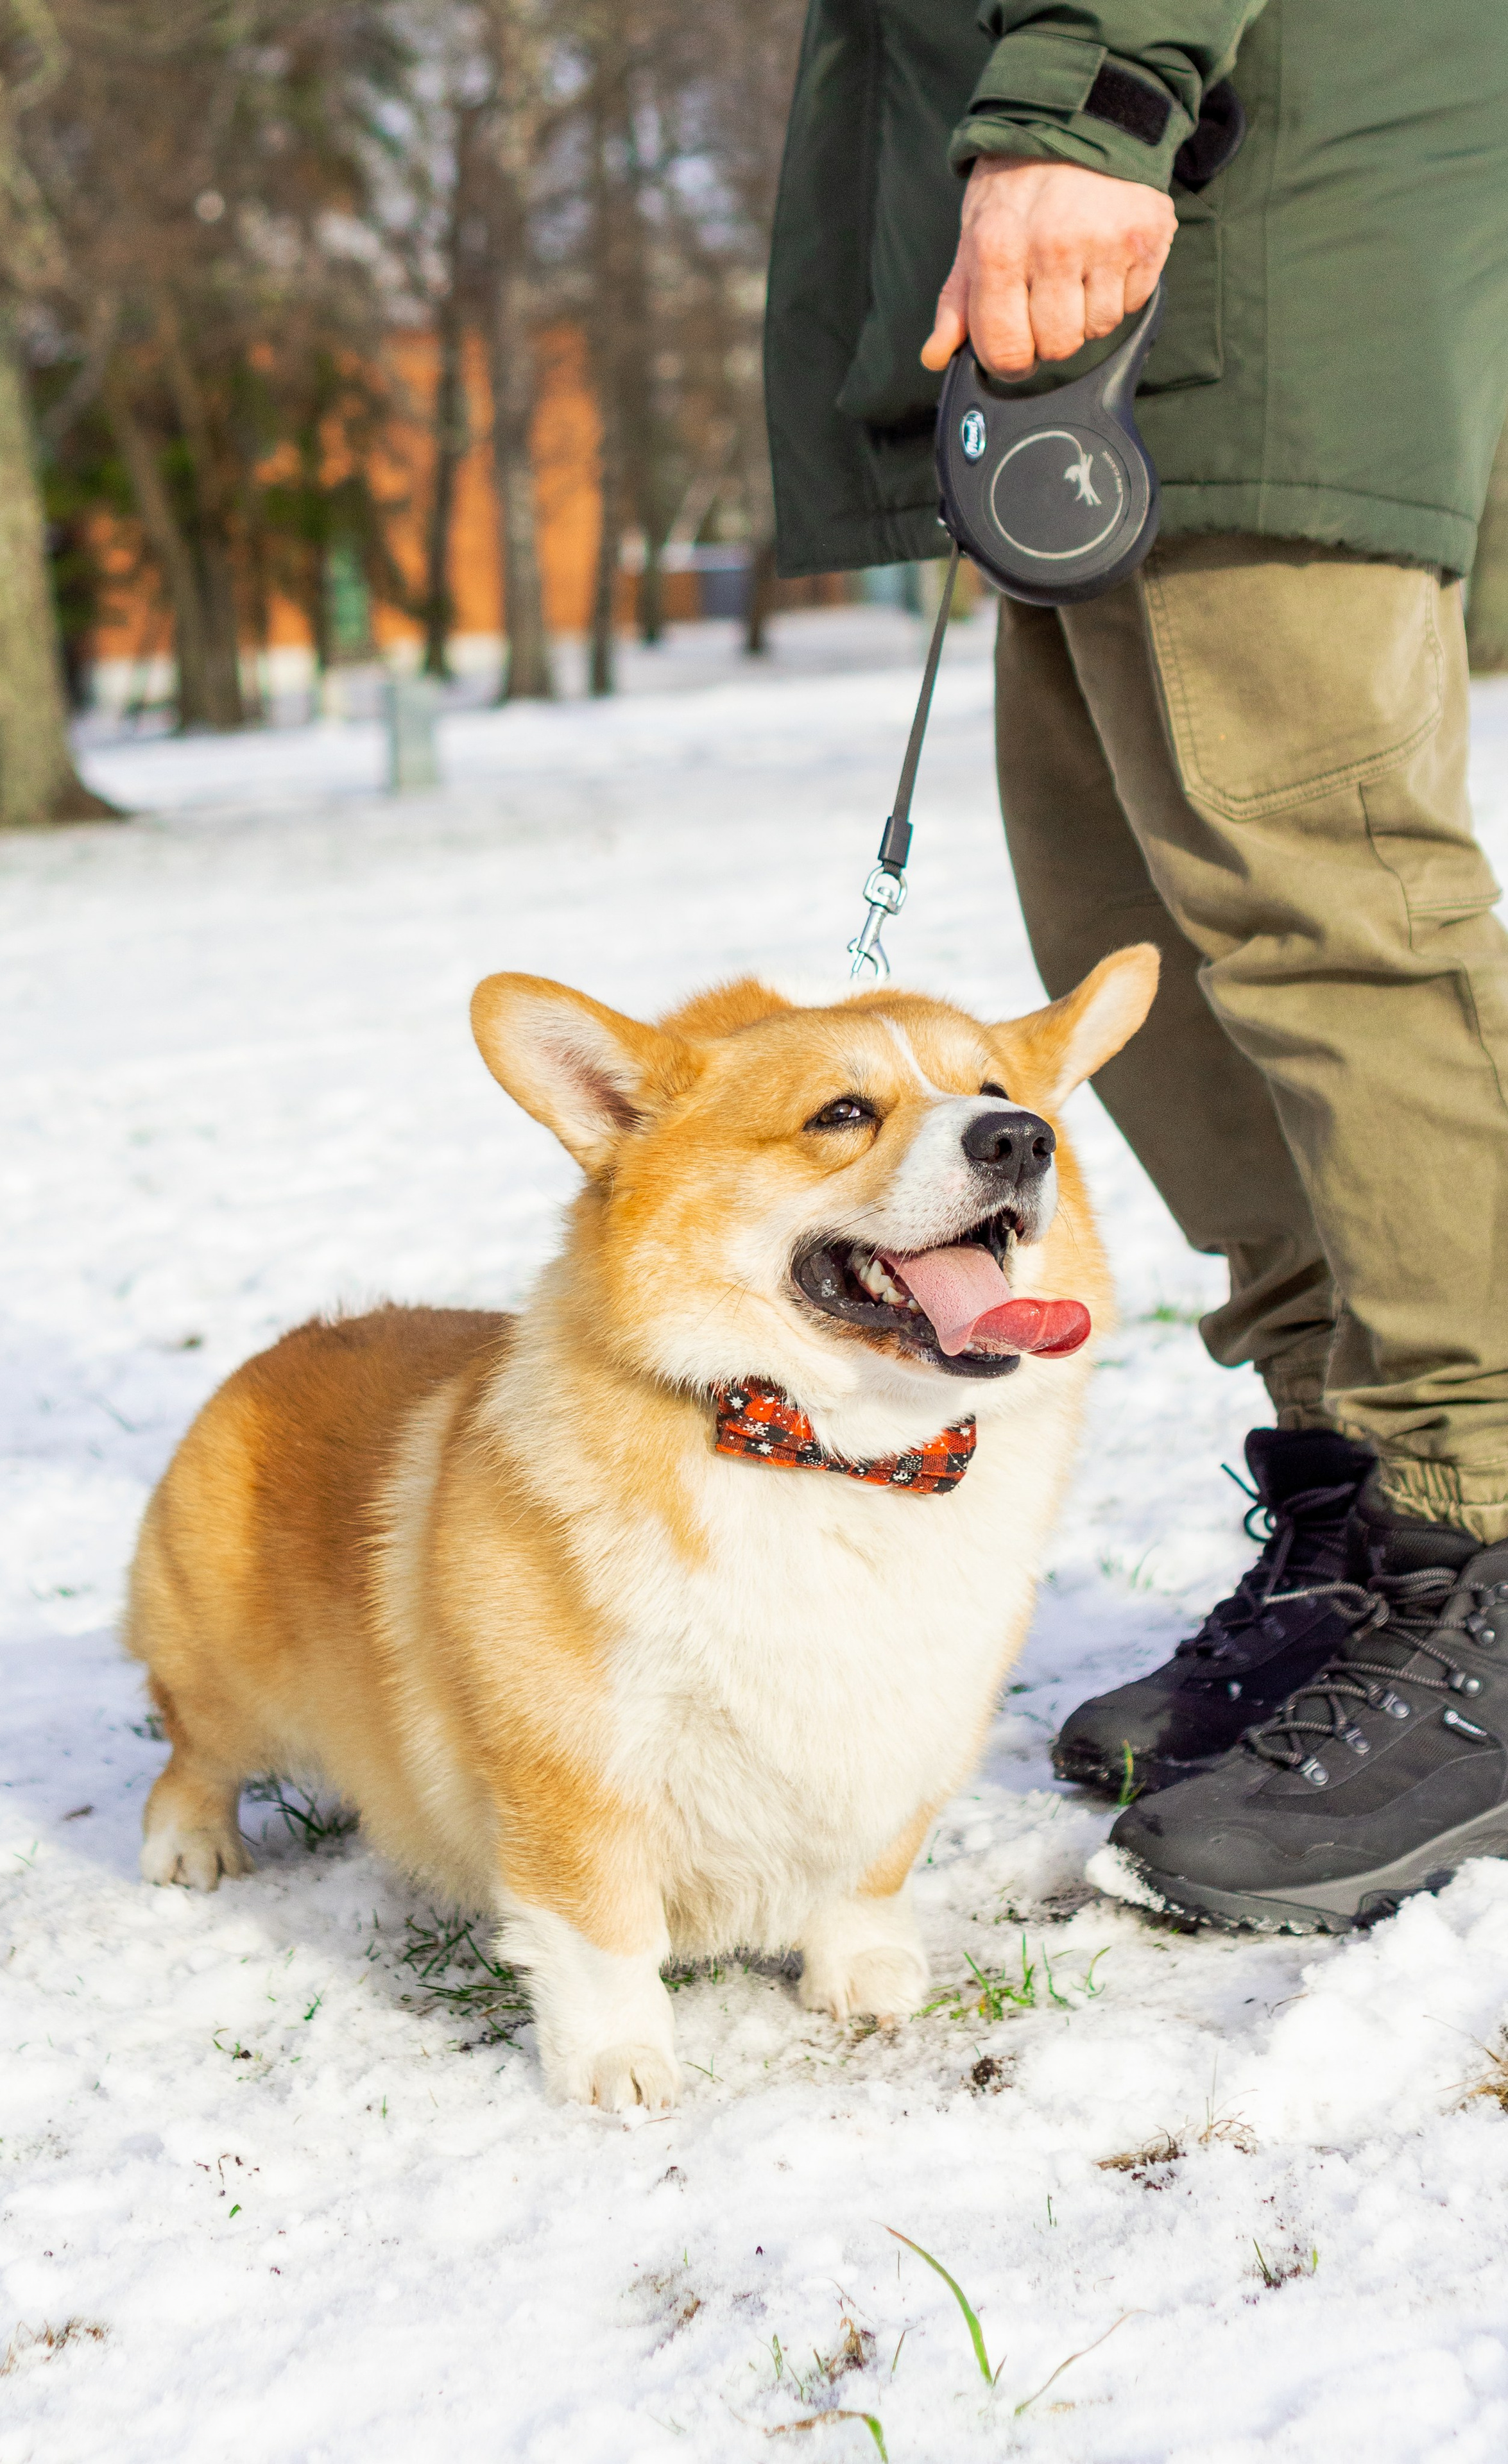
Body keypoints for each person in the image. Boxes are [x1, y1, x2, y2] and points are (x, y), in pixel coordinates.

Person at [764, 1, 1508, 1930]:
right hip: (1133, 244)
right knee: (1138, 927)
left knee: (1328, 913)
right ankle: (1366, 1500)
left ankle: (1486, 1513)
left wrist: (1090, 103)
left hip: (1231, 194)